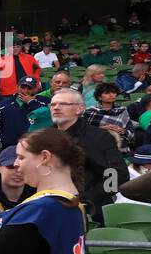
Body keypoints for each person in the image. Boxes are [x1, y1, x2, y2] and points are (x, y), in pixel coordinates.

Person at [47, 89, 128, 222]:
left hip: (87, 212)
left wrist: (88, 199)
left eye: (63, 104)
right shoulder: (44, 138)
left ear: (80, 109)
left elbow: (117, 175)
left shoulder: (98, 137)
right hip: (49, 206)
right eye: (53, 104)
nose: (56, 108)